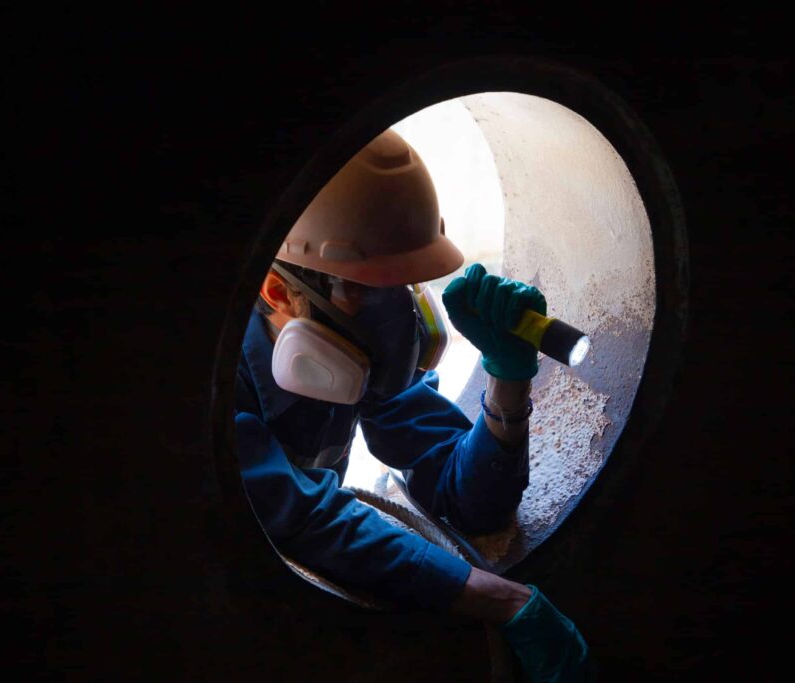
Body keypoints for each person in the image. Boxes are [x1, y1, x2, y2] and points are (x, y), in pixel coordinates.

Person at [234, 129, 593, 681]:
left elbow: (470, 502)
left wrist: (507, 378)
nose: (396, 319)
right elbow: (303, 521)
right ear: (279, 291)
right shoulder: (222, 393)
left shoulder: (361, 357)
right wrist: (503, 600)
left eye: (404, 286)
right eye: (362, 289)